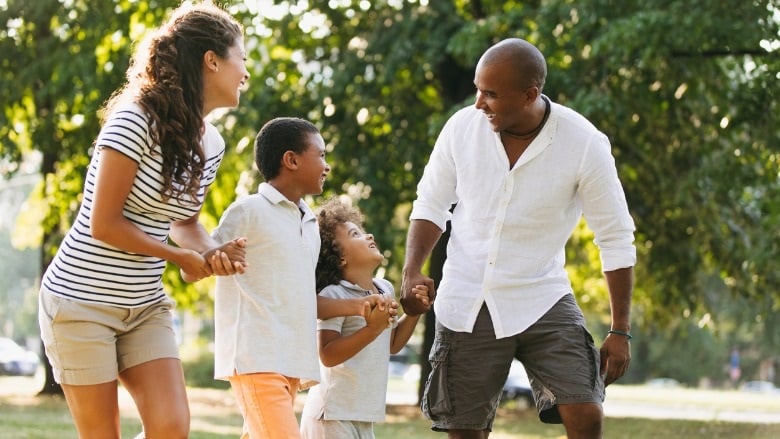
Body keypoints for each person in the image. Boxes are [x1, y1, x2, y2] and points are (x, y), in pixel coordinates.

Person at [400, 37, 636, 439]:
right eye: (478, 89)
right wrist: (411, 271)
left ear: (530, 94)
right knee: (465, 430)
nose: (478, 103)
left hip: (542, 296)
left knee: (586, 409)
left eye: (490, 94)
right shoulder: (461, 129)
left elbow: (615, 237)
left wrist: (619, 329)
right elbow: (430, 204)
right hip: (467, 298)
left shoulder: (584, 143)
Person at [37, 3, 250, 438]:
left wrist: (209, 254)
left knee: (172, 427)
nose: (245, 72)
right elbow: (105, 223)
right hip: (80, 303)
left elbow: (185, 222)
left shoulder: (212, 142)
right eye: (241, 58)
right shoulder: (133, 120)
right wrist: (178, 258)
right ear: (212, 60)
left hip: (143, 304)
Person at [211, 117, 394, 439]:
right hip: (257, 358)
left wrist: (359, 305)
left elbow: (304, 301)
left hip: (290, 362)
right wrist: (215, 258)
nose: (327, 166)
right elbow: (195, 265)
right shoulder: (249, 211)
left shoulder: (308, 223)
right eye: (320, 155)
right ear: (291, 160)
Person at [300, 198, 427, 439]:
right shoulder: (334, 295)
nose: (368, 236)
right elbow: (327, 354)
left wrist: (413, 313)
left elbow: (391, 344)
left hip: (363, 414)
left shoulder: (384, 289)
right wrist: (371, 330)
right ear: (340, 258)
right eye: (355, 234)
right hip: (332, 414)